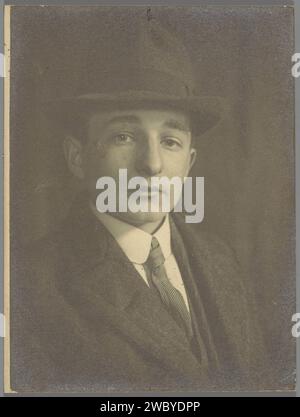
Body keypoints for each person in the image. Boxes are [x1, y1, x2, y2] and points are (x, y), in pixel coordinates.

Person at [10, 18, 268, 393]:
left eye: (170, 140)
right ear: (78, 157)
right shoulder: (29, 288)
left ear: (190, 162)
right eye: (124, 135)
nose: (152, 164)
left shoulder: (221, 262)